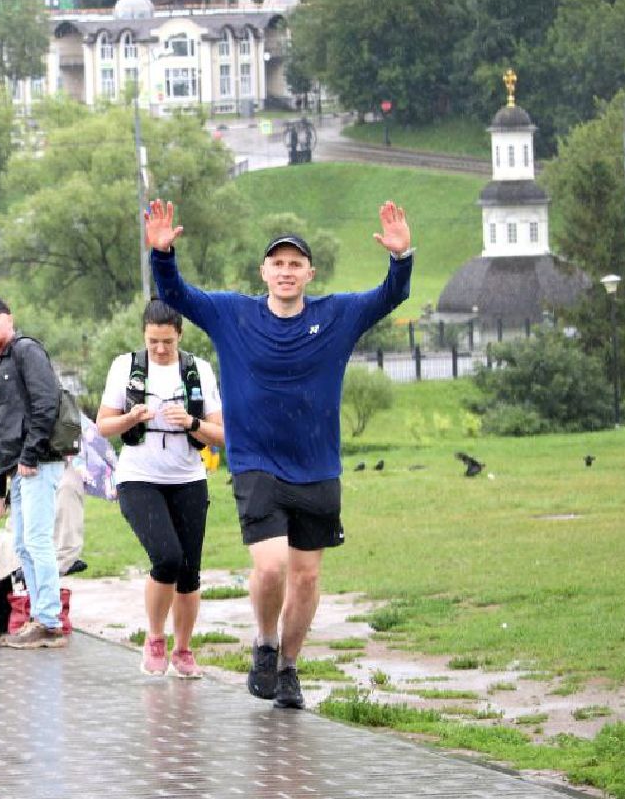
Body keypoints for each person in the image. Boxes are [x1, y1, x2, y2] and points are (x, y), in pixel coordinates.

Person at [147, 197, 413, 709]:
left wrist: (400, 260)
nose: (286, 272)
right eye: (278, 263)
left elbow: (390, 295)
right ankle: (265, 643)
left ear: (309, 273)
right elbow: (176, 293)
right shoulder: (232, 314)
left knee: (307, 576)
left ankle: (289, 668)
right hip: (255, 463)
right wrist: (163, 254)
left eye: (296, 264)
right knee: (270, 568)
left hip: (316, 467)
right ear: (263, 271)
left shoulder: (337, 315)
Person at [96, 298, 225, 678]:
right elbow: (102, 426)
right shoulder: (126, 367)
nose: (161, 349)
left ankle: (183, 650)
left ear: (180, 336)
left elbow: (221, 434)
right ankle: (155, 638)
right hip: (138, 475)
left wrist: (190, 421)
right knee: (167, 558)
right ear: (144, 336)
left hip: (187, 476)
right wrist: (130, 417)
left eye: (167, 341)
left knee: (189, 571)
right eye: (153, 341)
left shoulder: (198, 370)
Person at [0, 297, 70, 649]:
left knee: (38, 541)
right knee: (24, 544)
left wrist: (29, 453)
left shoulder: (26, 351)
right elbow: (4, 421)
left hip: (39, 461)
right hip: (21, 465)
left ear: (9, 319)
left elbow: (46, 403)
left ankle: (50, 621)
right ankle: (40, 616)